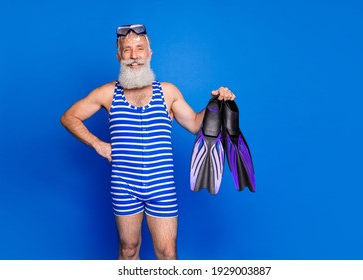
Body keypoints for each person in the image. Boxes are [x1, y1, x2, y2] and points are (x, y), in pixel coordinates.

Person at [61, 24, 236, 260]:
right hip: (124, 185)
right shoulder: (106, 93)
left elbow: (196, 124)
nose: (134, 56)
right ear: (119, 56)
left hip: (161, 186)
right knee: (128, 249)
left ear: (150, 54)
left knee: (167, 254)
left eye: (139, 49)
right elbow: (69, 117)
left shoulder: (168, 92)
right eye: (127, 50)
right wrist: (98, 144)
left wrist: (215, 102)